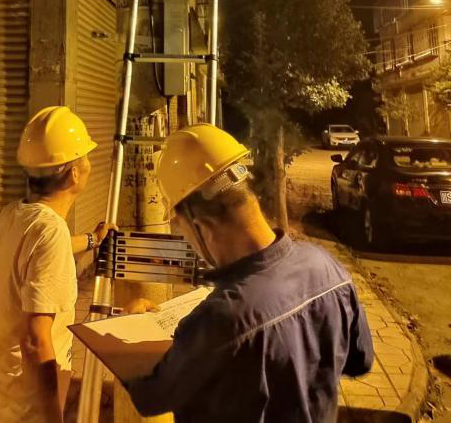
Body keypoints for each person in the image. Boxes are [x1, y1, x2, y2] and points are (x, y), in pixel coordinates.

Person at [123, 124, 374, 423]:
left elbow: (150, 396)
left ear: (201, 226)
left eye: (182, 231)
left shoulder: (221, 318)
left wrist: (132, 331)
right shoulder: (328, 267)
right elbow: (360, 360)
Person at [0, 106, 115, 423]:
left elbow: (41, 253)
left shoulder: (13, 215)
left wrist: (92, 240)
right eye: (86, 157)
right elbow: (36, 340)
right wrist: (52, 416)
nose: (90, 163)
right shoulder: (50, 232)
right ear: (74, 173)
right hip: (24, 403)